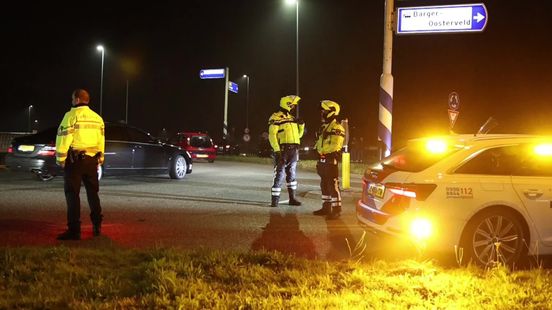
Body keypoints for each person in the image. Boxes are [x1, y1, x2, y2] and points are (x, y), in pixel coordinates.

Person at [55, 89, 105, 240]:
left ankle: (74, 231)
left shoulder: (70, 116)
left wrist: (60, 159)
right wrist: (100, 159)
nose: (71, 101)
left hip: (75, 161)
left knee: (72, 195)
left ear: (77, 100)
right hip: (92, 161)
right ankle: (97, 225)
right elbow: (101, 141)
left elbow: (63, 138)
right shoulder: (98, 119)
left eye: (72, 99)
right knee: (93, 194)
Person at [268, 95, 305, 207]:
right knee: (279, 174)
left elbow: (298, 135)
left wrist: (302, 125)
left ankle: (292, 199)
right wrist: (277, 150)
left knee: (292, 175)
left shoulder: (293, 118)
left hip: (294, 149)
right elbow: (272, 135)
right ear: (287, 104)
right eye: (292, 105)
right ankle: (275, 201)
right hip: (282, 150)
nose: (293, 107)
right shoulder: (275, 117)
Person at [313, 100, 345, 219]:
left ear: (332, 112)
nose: (322, 113)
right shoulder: (324, 127)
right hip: (322, 160)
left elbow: (335, 145)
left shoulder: (337, 128)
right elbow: (319, 142)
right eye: (322, 111)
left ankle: (336, 210)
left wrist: (323, 152)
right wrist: (316, 150)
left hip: (330, 160)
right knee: (324, 184)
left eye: (324, 111)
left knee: (333, 185)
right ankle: (326, 208)